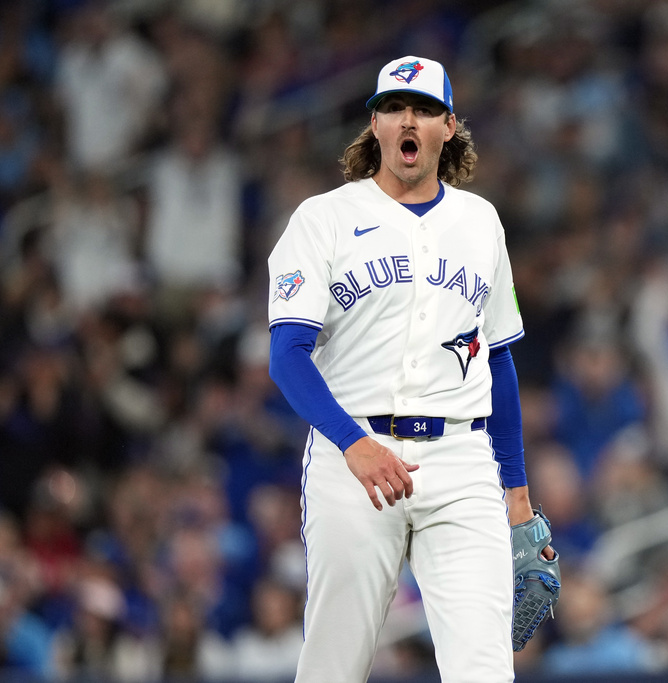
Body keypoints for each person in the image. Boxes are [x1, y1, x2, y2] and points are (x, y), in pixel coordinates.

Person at [267, 55, 555, 682]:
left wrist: (518, 499)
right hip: (355, 461)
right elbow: (286, 356)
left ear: (449, 126)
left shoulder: (481, 223)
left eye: (424, 109)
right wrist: (352, 443)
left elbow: (498, 361)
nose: (408, 119)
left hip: (461, 460)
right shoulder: (323, 219)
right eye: (395, 107)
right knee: (332, 668)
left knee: (484, 669)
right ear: (374, 123)